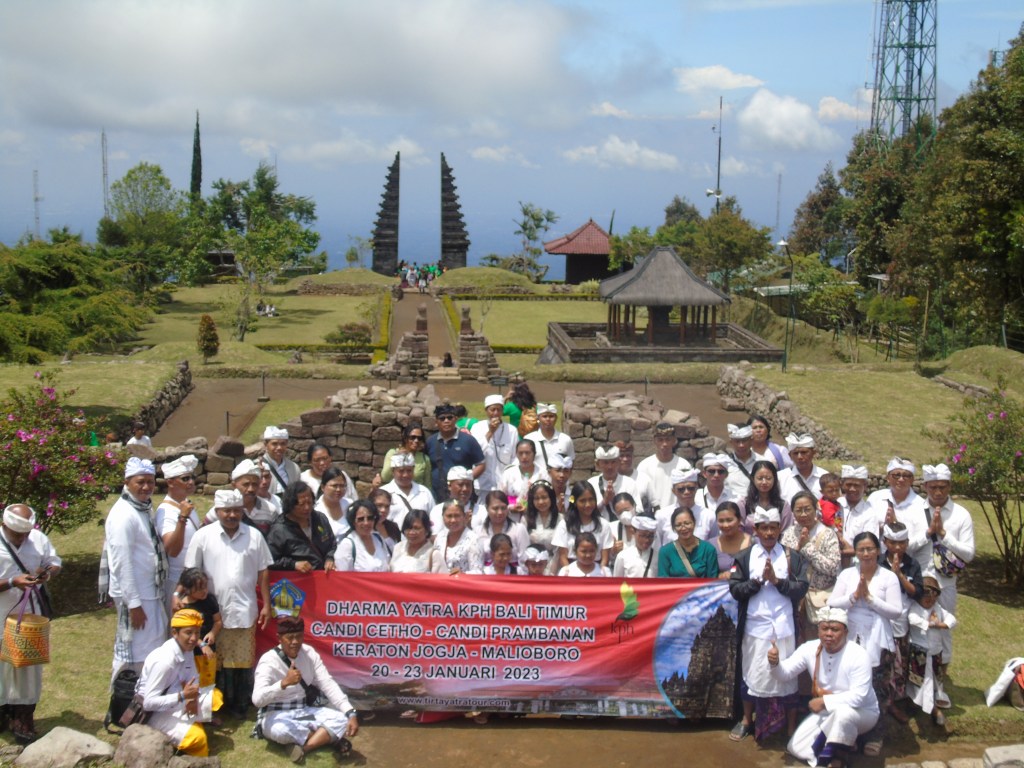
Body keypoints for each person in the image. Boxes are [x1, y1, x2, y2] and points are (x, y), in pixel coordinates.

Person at [185, 488, 272, 718]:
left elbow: (263, 571)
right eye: (227, 511)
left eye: (236, 510)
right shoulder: (203, 536)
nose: (232, 515)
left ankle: (239, 705)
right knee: (214, 661)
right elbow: (191, 572)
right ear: (217, 511)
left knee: (241, 661)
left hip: (245, 610)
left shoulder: (254, 536)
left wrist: (266, 604)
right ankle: (214, 707)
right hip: (212, 613)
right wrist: (180, 597)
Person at [728, 506, 809, 743]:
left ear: (780, 528)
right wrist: (757, 582)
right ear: (756, 530)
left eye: (773, 528)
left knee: (788, 674)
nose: (769, 533)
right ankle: (746, 720)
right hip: (755, 628)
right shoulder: (744, 557)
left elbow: (801, 588)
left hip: (784, 627)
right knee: (753, 673)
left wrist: (777, 581)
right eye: (764, 528)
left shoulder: (793, 557)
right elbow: (735, 589)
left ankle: (791, 728)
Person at [767, 607, 879, 768]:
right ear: (818, 630)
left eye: (835, 629)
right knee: (796, 747)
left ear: (846, 632)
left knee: (843, 715)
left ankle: (836, 761)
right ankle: (847, 742)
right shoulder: (809, 648)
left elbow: (859, 697)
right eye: (824, 628)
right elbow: (784, 674)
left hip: (862, 712)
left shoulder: (859, 654)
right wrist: (775, 663)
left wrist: (824, 701)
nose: (829, 634)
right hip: (828, 711)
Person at [828, 531, 903, 756]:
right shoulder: (847, 574)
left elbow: (896, 611)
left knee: (877, 688)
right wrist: (854, 596)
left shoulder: (888, 577)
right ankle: (850, 733)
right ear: (856, 552)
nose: (866, 553)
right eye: (861, 549)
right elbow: (833, 602)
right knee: (848, 686)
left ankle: (875, 735)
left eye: (870, 549)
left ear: (878, 551)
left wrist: (869, 598)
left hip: (877, 638)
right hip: (851, 635)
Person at [253, 616, 359, 764]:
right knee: (280, 730)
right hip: (276, 715)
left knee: (341, 719)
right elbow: (257, 700)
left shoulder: (309, 653)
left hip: (302, 714)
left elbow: (327, 683)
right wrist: (283, 683)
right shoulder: (268, 660)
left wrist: (350, 712)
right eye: (290, 637)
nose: (295, 642)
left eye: (299, 636)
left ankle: (304, 748)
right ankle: (328, 738)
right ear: (279, 638)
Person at [915, 463, 974, 708]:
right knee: (915, 631)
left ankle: (939, 686)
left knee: (943, 632)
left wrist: (944, 535)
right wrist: (928, 533)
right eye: (933, 487)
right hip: (918, 581)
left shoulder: (961, 514)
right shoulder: (915, 510)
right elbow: (905, 546)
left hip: (946, 583)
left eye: (942, 487)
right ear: (925, 486)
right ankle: (915, 685)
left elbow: (969, 554)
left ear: (949, 486)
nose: (938, 492)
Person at [104, 457, 168, 682]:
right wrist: (134, 604)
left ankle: (146, 697)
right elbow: (121, 564)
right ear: (127, 482)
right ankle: (124, 699)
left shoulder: (142, 508)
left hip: (150, 593)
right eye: (140, 482)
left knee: (152, 650)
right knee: (133, 654)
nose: (146, 487)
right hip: (136, 597)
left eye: (150, 482)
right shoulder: (123, 515)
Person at [0, 504, 60, 743]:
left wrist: (47, 573)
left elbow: (54, 562)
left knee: (28, 669)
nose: (23, 538)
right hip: (1, 616)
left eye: (25, 533)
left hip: (29, 618)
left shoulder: (38, 538)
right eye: (17, 534)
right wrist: (12, 582)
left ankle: (23, 718)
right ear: (4, 526)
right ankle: (4, 713)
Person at [138, 609, 220, 757]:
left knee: (216, 697)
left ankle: (190, 722)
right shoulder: (164, 662)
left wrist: (191, 699)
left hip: (178, 699)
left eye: (197, 633)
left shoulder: (187, 649)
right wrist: (182, 696)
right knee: (198, 739)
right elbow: (148, 703)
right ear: (175, 633)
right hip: (153, 713)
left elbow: (193, 677)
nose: (194, 638)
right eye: (188, 633)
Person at [880, 521, 924, 723]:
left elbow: (917, 592)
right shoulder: (878, 562)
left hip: (901, 624)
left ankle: (894, 702)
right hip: (881, 624)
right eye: (893, 542)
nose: (897, 547)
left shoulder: (913, 565)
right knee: (881, 665)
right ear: (885, 542)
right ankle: (881, 702)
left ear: (907, 543)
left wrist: (899, 575)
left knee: (899, 666)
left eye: (902, 543)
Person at [781, 491, 841, 640]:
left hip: (820, 599)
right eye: (798, 510)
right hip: (795, 599)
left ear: (816, 509)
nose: (803, 514)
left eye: (807, 509)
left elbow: (833, 568)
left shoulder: (828, 534)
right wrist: (796, 551)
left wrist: (807, 548)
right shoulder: (788, 534)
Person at [907, 575, 956, 725]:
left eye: (933, 599)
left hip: (935, 653)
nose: (930, 601)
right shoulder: (915, 607)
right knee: (922, 682)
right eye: (927, 598)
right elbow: (912, 618)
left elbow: (952, 619)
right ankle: (933, 711)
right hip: (920, 653)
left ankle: (927, 705)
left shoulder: (937, 609)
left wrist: (941, 625)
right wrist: (928, 624)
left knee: (932, 681)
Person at [155, 454, 201, 612]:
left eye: (192, 478)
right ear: (170, 482)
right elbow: (172, 550)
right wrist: (182, 518)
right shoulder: (166, 511)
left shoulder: (185, 504)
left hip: (192, 578)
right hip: (177, 580)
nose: (191, 482)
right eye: (185, 479)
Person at [267, 483, 337, 573]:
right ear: (290, 505)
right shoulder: (279, 530)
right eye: (301, 504)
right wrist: (293, 564)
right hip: (297, 579)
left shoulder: (320, 518)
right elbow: (269, 560)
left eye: (309, 503)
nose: (307, 508)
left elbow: (332, 544)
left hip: (323, 575)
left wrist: (329, 558)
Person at [171, 567, 222, 688]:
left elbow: (218, 621)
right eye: (199, 589)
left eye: (205, 586)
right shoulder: (183, 606)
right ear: (188, 590)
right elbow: (185, 633)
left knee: (208, 683)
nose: (204, 591)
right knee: (191, 682)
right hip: (190, 652)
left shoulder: (210, 600)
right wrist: (202, 644)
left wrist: (212, 633)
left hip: (208, 652)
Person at [424, 404, 485, 502]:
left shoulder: (468, 440)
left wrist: (467, 479)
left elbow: (481, 464)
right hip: (437, 496)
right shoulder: (430, 442)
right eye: (442, 418)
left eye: (450, 418)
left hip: (463, 495)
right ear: (436, 422)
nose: (446, 421)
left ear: (455, 419)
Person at [552, 481, 614, 570]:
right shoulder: (565, 524)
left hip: (596, 571)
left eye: (591, 499)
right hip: (571, 572)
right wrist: (571, 573)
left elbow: (605, 558)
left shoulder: (603, 524)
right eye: (582, 501)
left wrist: (598, 573)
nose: (588, 505)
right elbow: (562, 556)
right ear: (574, 502)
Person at [635, 423, 692, 515]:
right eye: (660, 440)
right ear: (654, 441)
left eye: (668, 439)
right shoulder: (644, 466)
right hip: (652, 517)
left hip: (678, 516)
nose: (664, 444)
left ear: (674, 440)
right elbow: (639, 495)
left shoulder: (684, 465)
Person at [470, 394, 519, 495]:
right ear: (486, 410)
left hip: (504, 485)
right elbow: (475, 453)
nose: (496, 413)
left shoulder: (512, 430)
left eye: (499, 410)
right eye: (492, 410)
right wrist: (490, 432)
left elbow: (515, 458)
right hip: (482, 485)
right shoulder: (477, 427)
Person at [656, 468, 713, 547]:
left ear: (696, 488)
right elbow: (657, 547)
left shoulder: (709, 516)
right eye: (681, 489)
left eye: (690, 488)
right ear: (673, 491)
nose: (686, 492)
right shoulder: (662, 515)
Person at [658, 508, 719, 578]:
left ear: (694, 523)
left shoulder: (708, 549)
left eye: (687, 523)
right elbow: (663, 580)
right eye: (678, 525)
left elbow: (712, 580)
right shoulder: (665, 551)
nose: (683, 528)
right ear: (674, 528)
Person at [836, 465, 878, 566]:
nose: (852, 489)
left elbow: (869, 546)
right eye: (848, 484)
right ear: (842, 484)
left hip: (858, 567)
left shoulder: (870, 513)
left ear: (865, 486)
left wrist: (840, 553)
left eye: (857, 485)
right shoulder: (836, 504)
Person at [475, 491, 530, 567]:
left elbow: (525, 560)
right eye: (495, 508)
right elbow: (476, 560)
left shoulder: (519, 529)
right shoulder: (478, 531)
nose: (500, 512)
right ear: (487, 508)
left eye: (503, 508)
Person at [380, 452, 435, 527]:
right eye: (401, 471)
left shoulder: (424, 492)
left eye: (409, 471)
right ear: (393, 472)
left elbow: (433, 520)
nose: (405, 475)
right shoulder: (383, 492)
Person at [498, 439, 549, 516]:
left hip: (536, 517)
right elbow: (499, 498)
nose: (524, 457)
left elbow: (548, 498)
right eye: (520, 453)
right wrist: (511, 507)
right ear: (516, 454)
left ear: (534, 454)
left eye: (527, 453)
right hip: (512, 517)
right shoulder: (508, 473)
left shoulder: (543, 474)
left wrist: (531, 507)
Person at [430, 499, 483, 575]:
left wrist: (463, 574)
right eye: (449, 516)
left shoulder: (474, 539)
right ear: (443, 517)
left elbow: (479, 572)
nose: (453, 520)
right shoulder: (440, 537)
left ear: (464, 516)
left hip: (462, 582)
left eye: (457, 516)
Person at [335, 500, 390, 573]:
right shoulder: (347, 545)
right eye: (361, 519)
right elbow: (343, 576)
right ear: (353, 521)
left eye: (370, 518)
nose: (366, 523)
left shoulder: (378, 539)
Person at [589, 445, 641, 521]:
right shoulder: (591, 484)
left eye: (613, 462)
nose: (610, 467)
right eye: (606, 463)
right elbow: (586, 514)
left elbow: (639, 510)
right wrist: (604, 502)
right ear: (598, 464)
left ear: (619, 462)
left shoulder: (629, 483)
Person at [744, 460, 794, 534]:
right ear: (753, 479)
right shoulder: (744, 504)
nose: (764, 482)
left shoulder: (783, 505)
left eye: (768, 478)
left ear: (774, 479)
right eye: (760, 478)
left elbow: (787, 533)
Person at [377, 424, 432, 489]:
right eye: (412, 437)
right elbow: (385, 477)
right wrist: (396, 457)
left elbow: (427, 484)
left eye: (419, 438)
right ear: (405, 438)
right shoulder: (392, 453)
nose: (416, 440)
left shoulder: (424, 459)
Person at [523, 403, 575, 472]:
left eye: (551, 416)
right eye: (544, 416)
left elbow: (571, 462)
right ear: (538, 418)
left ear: (556, 418)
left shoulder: (565, 439)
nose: (548, 419)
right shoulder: (529, 439)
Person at [778, 433, 828, 502]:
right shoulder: (780, 478)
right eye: (795, 453)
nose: (800, 457)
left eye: (804, 452)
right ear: (790, 456)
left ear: (813, 453)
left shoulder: (825, 477)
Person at [709, 501, 751, 579]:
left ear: (739, 520)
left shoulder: (754, 543)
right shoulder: (710, 546)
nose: (725, 525)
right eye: (721, 521)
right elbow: (707, 575)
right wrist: (719, 576)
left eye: (729, 520)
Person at [523, 480, 561, 560]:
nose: (541, 502)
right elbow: (523, 548)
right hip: (532, 562)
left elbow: (560, 550)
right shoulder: (525, 519)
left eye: (544, 497)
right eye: (536, 498)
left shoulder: (560, 519)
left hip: (555, 561)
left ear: (551, 498)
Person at [613, 514, 659, 578]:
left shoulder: (658, 557)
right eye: (643, 535)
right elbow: (617, 581)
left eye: (651, 536)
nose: (647, 540)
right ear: (633, 532)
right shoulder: (622, 556)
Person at [262, 426, 300, 496]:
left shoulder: (294, 468)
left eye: (283, 444)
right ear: (266, 445)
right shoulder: (258, 467)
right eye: (274, 444)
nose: (279, 448)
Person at [314, 466, 351, 539]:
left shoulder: (350, 505)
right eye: (334, 486)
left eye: (342, 486)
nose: (338, 489)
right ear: (323, 487)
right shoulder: (316, 512)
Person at [725, 422, 760, 498]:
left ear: (751, 440)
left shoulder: (762, 462)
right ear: (731, 442)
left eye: (744, 441)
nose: (741, 445)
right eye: (737, 441)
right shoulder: (724, 464)